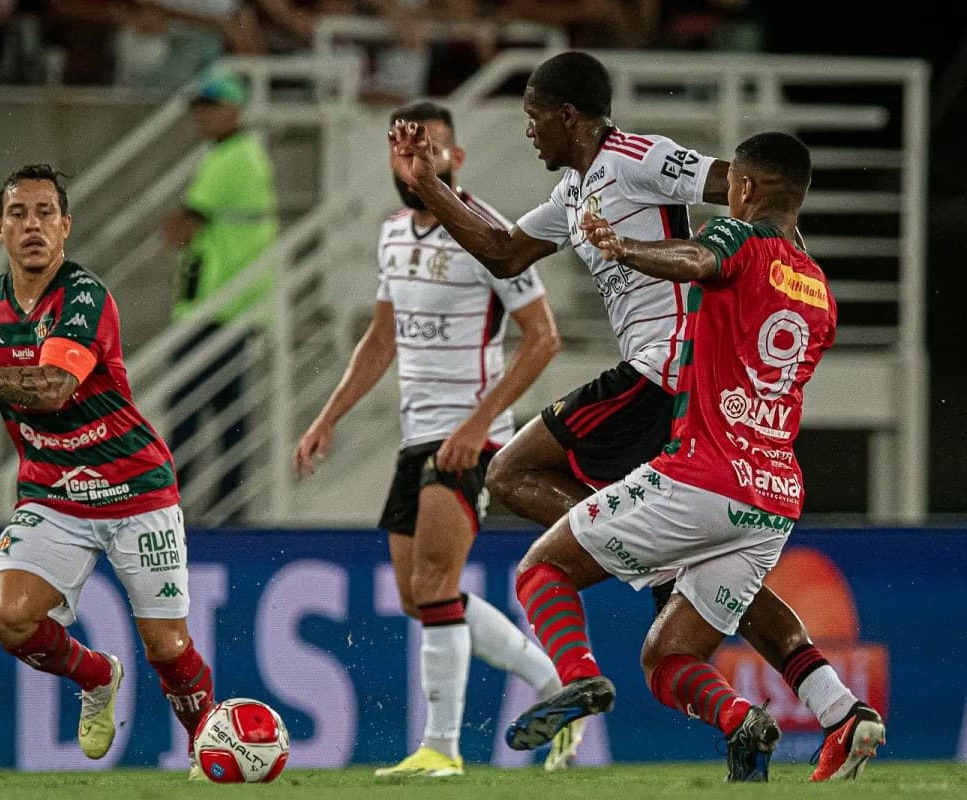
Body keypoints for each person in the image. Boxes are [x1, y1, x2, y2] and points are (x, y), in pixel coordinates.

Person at [388, 50, 884, 781]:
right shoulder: (572, 193)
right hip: (731, 446)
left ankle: (597, 615)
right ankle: (834, 708)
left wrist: (774, 253)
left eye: (532, 117)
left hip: (665, 372)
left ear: (568, 116)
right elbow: (502, 250)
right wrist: (430, 186)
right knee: (683, 604)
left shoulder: (639, 156)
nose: (527, 132)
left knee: (514, 471)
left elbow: (736, 184)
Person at [497, 131, 871, 781]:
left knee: (541, 571)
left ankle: (579, 679)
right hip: (773, 496)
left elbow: (701, 259)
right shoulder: (819, 290)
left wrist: (625, 247)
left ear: (746, 189)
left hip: (704, 473)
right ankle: (785, 715)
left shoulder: (738, 242)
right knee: (668, 659)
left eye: (735, 189)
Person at [0, 164, 213, 778]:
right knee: (6, 614)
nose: (32, 225)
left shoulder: (84, 296)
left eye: (46, 213)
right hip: (54, 496)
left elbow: (50, 389)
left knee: (166, 646)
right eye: (19, 213)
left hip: (136, 489)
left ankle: (208, 748)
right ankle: (97, 676)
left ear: (66, 228)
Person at [295, 101, 576, 777]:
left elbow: (543, 339)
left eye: (430, 150)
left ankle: (442, 751)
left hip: (469, 438)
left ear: (457, 159)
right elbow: (382, 337)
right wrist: (328, 413)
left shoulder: (490, 235)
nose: (414, 162)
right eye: (403, 150)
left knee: (433, 581)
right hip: (416, 437)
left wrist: (478, 424)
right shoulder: (393, 234)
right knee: (417, 597)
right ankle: (554, 686)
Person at [161, 69, 277, 515]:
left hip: (220, 305)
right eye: (200, 108)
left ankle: (180, 502)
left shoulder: (232, 157)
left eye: (211, 107)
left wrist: (176, 229)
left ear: (234, 109)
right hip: (226, 305)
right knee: (223, 408)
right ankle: (229, 506)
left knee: (191, 409)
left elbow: (183, 228)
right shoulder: (237, 153)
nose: (202, 117)